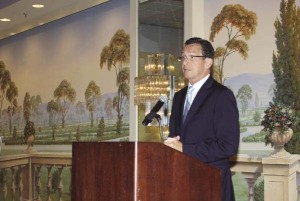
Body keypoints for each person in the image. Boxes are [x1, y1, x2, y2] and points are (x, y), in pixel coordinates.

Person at [165, 37, 240, 201]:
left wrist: (185, 148)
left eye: (192, 57)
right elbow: (175, 138)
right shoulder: (179, 97)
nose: (185, 62)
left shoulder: (221, 95)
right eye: (183, 57)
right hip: (182, 184)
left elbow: (228, 146)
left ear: (208, 63)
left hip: (211, 184)